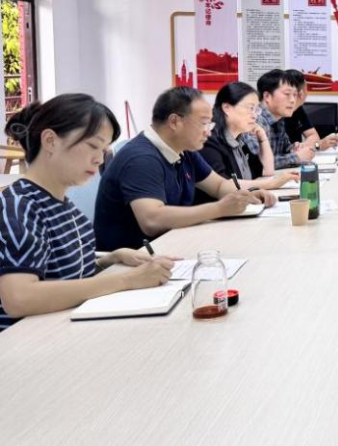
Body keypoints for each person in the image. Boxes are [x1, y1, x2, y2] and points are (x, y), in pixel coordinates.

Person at [0, 95, 174, 331]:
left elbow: (60, 274)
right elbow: (19, 298)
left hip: (61, 328)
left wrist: (109, 259)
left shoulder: (65, 208)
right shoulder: (19, 207)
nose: (100, 159)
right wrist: (127, 280)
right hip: (24, 341)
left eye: (104, 149)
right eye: (93, 146)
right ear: (50, 141)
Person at [94, 87, 275, 251]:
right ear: (174, 122)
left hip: (170, 245)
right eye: (203, 123)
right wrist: (219, 208)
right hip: (134, 260)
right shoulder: (141, 158)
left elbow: (219, 185)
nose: (208, 132)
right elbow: (152, 220)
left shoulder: (184, 150)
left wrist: (248, 194)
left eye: (210, 124)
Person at [198, 81, 298, 196]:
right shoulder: (209, 141)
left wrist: (263, 138)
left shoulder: (239, 140)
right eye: (250, 108)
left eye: (256, 110)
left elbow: (267, 171)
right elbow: (223, 186)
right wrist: (271, 184)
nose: (255, 115)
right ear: (227, 108)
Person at [256, 69, 316, 169]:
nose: (293, 100)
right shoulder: (254, 121)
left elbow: (284, 149)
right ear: (267, 96)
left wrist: (294, 148)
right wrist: (296, 157)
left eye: (295, 95)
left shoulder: (278, 119)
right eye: (287, 94)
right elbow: (258, 166)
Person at [281, 69, 338, 150]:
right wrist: (317, 146)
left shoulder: (297, 108)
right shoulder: (275, 115)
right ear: (301, 93)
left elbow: (313, 136)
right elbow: (281, 152)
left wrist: (314, 146)